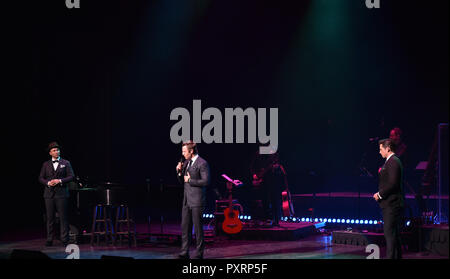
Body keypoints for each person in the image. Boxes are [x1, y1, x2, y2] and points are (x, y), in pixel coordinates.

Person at [176, 141, 210, 259]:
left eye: (185, 151)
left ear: (191, 151)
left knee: (198, 229)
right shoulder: (186, 162)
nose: (183, 154)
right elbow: (182, 182)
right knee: (185, 227)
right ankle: (184, 251)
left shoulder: (202, 163)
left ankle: (199, 253)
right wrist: (179, 172)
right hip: (186, 200)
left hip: (197, 201)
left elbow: (206, 181)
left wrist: (190, 181)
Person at [38, 142, 75, 247]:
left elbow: (71, 176)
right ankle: (49, 239)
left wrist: (59, 180)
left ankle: (64, 239)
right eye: (54, 150)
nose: (56, 151)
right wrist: (48, 183)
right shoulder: (45, 164)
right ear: (50, 153)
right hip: (49, 194)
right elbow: (40, 178)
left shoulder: (66, 163)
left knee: (63, 217)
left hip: (62, 193)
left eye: (57, 150)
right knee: (50, 218)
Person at [373, 138, 404, 259]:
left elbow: (393, 184)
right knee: (393, 236)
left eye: (381, 149)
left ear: (388, 148)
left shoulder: (394, 162)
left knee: (390, 236)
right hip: (390, 204)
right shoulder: (390, 162)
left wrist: (379, 194)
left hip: (392, 205)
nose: (379, 152)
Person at [250, 150, 285, 227]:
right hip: (262, 181)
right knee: (264, 200)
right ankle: (266, 219)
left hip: (272, 180)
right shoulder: (258, 154)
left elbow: (279, 166)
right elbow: (253, 167)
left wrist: (276, 167)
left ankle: (276, 220)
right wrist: (255, 175)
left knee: (274, 200)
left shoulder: (274, 154)